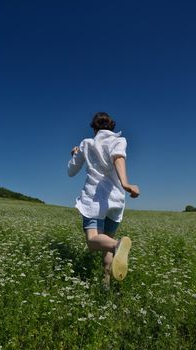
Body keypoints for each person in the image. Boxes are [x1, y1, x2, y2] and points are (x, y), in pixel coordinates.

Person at [68, 112, 140, 288]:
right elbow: (118, 159)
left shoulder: (86, 143)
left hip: (93, 201)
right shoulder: (119, 140)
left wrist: (74, 154)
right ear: (112, 126)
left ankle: (118, 246)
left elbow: (71, 171)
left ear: (93, 128)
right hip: (115, 200)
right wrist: (125, 183)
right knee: (106, 240)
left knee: (94, 241)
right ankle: (106, 282)